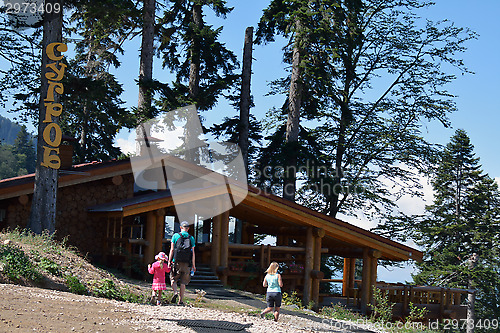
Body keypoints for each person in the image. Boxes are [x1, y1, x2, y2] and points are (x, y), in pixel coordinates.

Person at [168, 221, 196, 305]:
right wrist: (193, 265)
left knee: (173, 278)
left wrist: (169, 261)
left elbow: (172, 249)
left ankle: (175, 292)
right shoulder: (191, 238)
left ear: (180, 227)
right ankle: (180, 301)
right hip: (187, 263)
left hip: (176, 261)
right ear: (188, 228)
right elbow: (193, 253)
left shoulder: (175, 236)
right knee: (183, 282)